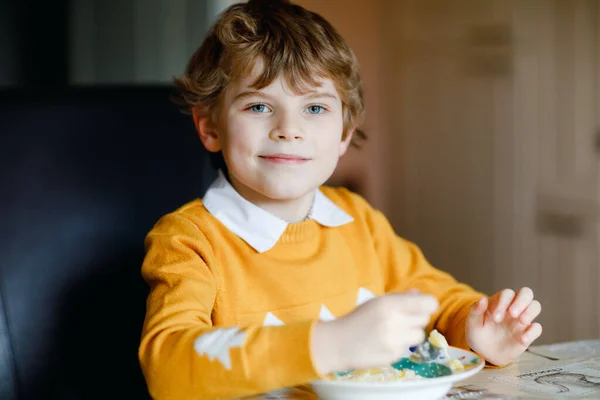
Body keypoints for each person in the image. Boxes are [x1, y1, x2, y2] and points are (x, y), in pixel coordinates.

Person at [138, 1, 543, 398]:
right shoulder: (188, 240)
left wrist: (476, 331)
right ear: (210, 127)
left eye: (314, 107)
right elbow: (168, 367)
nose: (289, 129)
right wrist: (327, 344)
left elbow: (438, 303)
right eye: (259, 105)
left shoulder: (360, 221)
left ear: (345, 133)